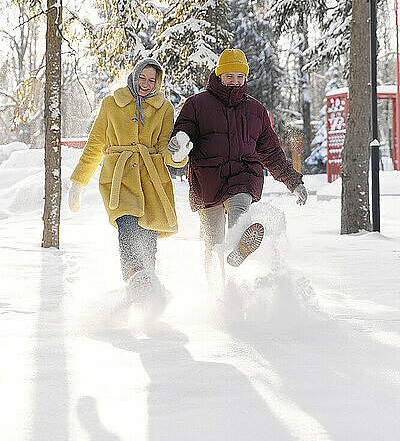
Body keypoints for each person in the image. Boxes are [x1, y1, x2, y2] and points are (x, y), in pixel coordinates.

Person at [167, 48, 307, 289]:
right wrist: (180, 140)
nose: (234, 81)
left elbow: (272, 152)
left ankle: (239, 243)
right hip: (207, 177)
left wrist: (294, 182)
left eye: (239, 76)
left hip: (243, 174)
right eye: (229, 76)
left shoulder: (255, 110)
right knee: (213, 242)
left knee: (240, 205)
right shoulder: (197, 104)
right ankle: (216, 290)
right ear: (219, 75)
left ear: (245, 77)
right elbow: (185, 131)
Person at [68, 58, 187, 300]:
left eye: (151, 80)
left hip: (152, 181)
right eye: (142, 78)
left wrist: (178, 155)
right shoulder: (111, 104)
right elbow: (94, 145)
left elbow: (164, 148)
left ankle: (146, 292)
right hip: (119, 178)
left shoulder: (164, 108)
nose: (146, 83)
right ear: (134, 76)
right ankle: (135, 273)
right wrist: (78, 182)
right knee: (128, 225)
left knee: (148, 239)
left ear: (158, 82)